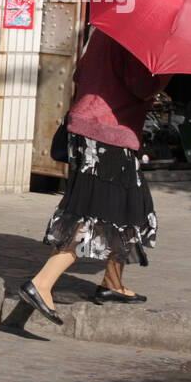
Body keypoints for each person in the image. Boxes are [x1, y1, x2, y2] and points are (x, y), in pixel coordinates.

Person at [21, 29, 172, 325]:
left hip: (89, 129)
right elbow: (142, 86)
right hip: (106, 135)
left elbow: (79, 74)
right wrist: (166, 74)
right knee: (91, 214)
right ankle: (41, 284)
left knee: (131, 205)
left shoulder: (106, 29)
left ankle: (112, 283)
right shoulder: (139, 37)